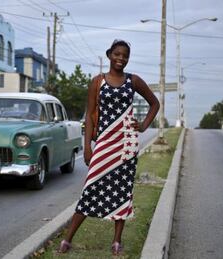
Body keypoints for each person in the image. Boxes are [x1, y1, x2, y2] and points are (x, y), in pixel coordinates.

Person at [58, 39, 160, 255]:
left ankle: (116, 241)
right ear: (109, 55)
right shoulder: (98, 82)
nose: (121, 58)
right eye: (117, 54)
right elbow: (90, 115)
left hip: (126, 145)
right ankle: (67, 240)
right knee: (90, 188)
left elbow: (154, 103)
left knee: (122, 191)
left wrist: (142, 126)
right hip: (104, 143)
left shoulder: (134, 81)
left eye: (125, 55)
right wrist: (87, 147)